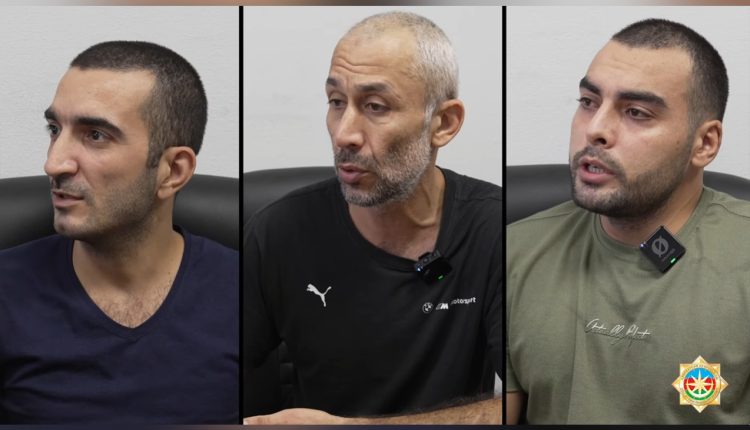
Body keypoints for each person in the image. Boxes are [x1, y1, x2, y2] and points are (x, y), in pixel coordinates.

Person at [244, 11, 501, 424]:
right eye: (336, 102)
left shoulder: (495, 230)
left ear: (443, 123)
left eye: (375, 106)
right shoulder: (278, 231)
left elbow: (524, 401)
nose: (344, 133)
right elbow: (215, 375)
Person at [506, 19, 750, 424]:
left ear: (704, 143)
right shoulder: (514, 251)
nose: (596, 130)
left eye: (636, 112)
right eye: (588, 102)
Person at [0, 41, 238, 424]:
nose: (53, 163)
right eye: (54, 129)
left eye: (95, 135)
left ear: (173, 171)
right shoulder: (8, 290)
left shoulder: (248, 290)